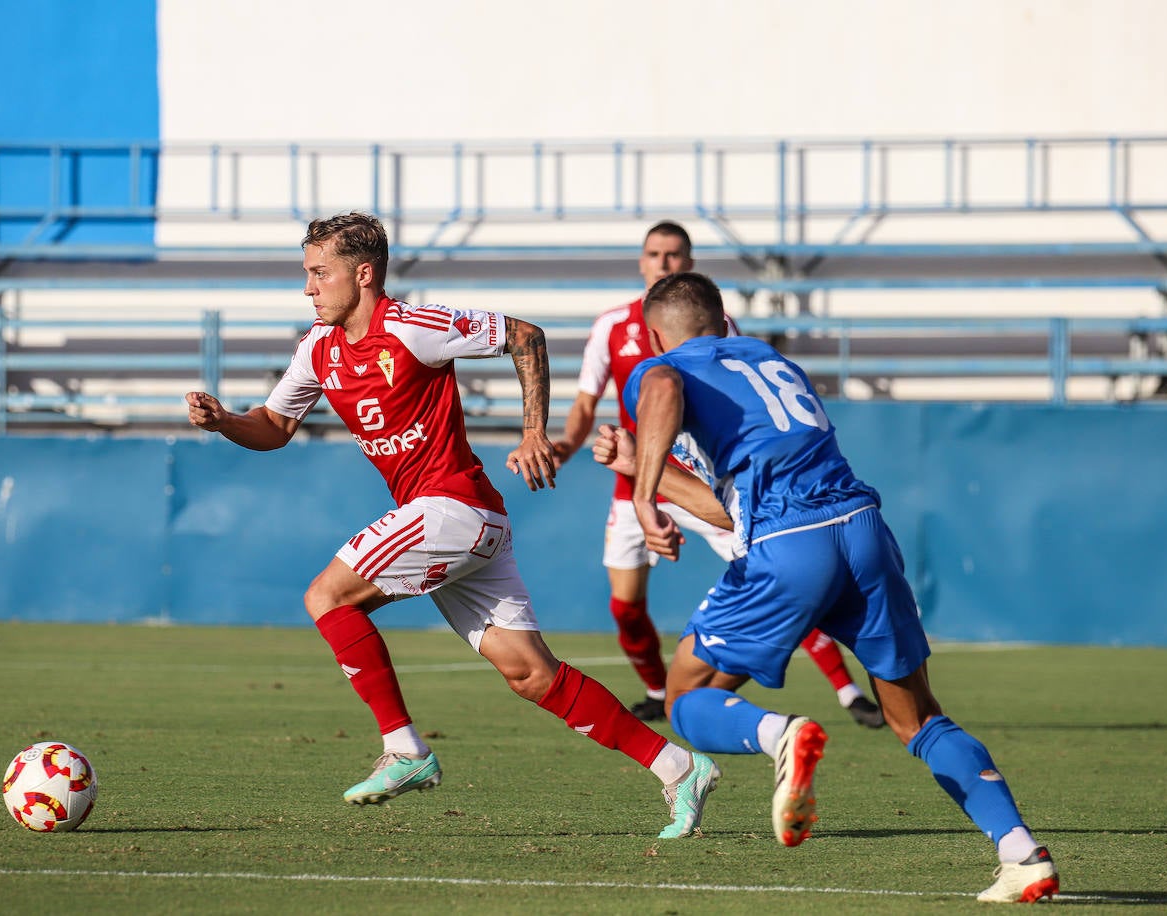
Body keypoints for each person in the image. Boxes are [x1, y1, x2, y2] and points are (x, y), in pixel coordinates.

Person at [185, 212, 720, 838]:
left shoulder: (413, 327)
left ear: (363, 275)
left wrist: (532, 432)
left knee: (326, 595)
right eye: (307, 274)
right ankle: (678, 766)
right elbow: (273, 428)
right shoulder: (318, 350)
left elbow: (526, 336)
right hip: (459, 524)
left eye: (318, 273)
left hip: (453, 507)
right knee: (531, 673)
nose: (309, 287)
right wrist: (225, 421)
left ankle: (406, 749)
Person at [593, 271, 1059, 903]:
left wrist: (643, 497)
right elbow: (732, 507)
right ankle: (1021, 853)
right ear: (725, 318)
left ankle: (781, 736)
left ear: (654, 336)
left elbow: (666, 386)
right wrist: (638, 464)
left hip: (790, 543)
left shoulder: (664, 369)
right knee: (917, 716)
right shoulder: (769, 360)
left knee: (686, 694)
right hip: (861, 529)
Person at [553, 220, 884, 729]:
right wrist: (563, 446)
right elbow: (584, 402)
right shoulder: (611, 326)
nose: (663, 261)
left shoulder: (717, 326)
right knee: (625, 607)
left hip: (702, 484)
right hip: (636, 482)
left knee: (780, 575)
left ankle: (845, 692)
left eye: (673, 254)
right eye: (654, 253)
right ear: (642, 261)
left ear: (689, 264)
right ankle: (660, 691)